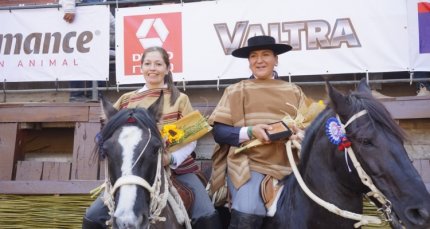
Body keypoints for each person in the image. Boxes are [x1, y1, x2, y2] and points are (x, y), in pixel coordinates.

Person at [82, 46, 221, 229]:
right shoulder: (126, 99)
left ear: (167, 68)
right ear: (141, 68)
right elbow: (107, 134)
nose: (152, 68)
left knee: (206, 214)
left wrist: (170, 159)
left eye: (158, 64)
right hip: (133, 171)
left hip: (178, 170)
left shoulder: (180, 99)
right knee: (92, 217)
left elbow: (191, 138)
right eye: (147, 64)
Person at [208, 35, 307, 229]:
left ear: (276, 59)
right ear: (249, 61)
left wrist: (299, 134)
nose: (259, 60)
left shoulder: (294, 91)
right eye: (254, 56)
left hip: (291, 164)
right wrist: (251, 132)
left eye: (266, 55)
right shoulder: (236, 90)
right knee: (248, 212)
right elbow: (219, 132)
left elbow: (309, 128)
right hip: (249, 163)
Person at [60, 0, 114, 102]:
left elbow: (110, 19)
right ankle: (77, 94)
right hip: (76, 31)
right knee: (76, 61)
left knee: (97, 61)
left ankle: (96, 93)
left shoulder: (101, 3)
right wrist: (69, 9)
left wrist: (121, 28)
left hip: (95, 38)